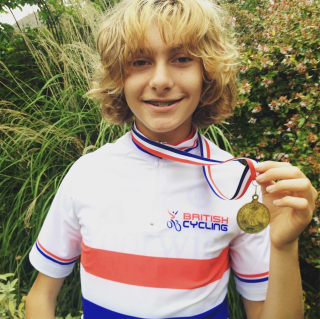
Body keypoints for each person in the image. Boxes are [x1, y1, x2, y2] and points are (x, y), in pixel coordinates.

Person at [25, 0, 317, 318]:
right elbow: (40, 297)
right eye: (140, 62)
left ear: (207, 72)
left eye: (181, 58)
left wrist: (284, 246)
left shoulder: (238, 185)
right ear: (117, 77)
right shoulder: (87, 173)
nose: (161, 80)